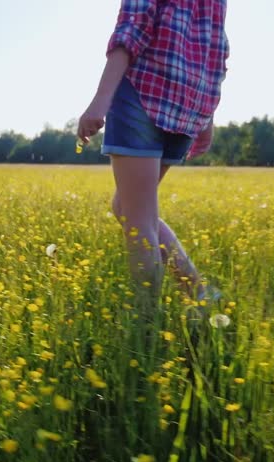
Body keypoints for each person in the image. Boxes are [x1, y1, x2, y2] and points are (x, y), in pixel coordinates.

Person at [77, 0, 229, 315]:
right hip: (189, 101)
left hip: (144, 91)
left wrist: (100, 100)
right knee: (127, 207)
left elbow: (133, 25)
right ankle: (200, 294)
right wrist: (207, 116)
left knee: (138, 219)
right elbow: (216, 47)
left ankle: (145, 324)